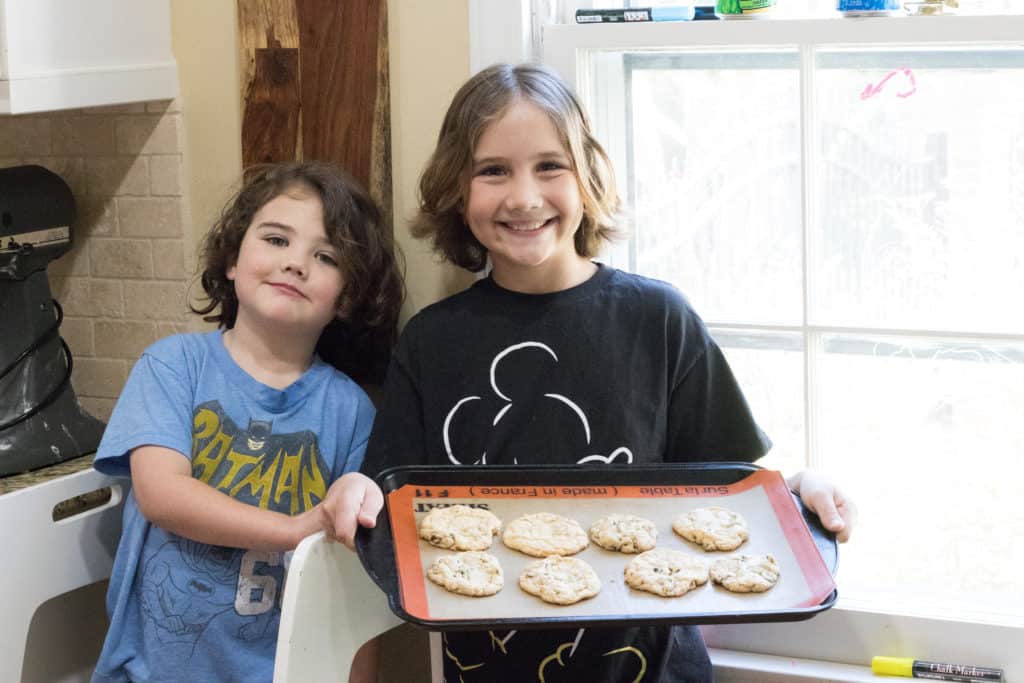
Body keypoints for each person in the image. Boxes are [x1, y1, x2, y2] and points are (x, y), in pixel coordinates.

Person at [324, 63, 857, 682]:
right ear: (456, 189)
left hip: (652, 669)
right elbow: (394, 499)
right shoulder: (432, 341)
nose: (524, 197)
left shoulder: (657, 319)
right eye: (493, 170)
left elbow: (728, 497)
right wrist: (354, 490)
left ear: (588, 177)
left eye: (550, 166)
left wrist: (798, 489)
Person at [91, 161, 403, 683]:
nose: (296, 264)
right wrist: (291, 530)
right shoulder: (173, 366)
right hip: (152, 671)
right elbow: (162, 494)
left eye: (325, 256)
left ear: (347, 297)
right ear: (233, 260)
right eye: (277, 240)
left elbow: (355, 588)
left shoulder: (351, 412)